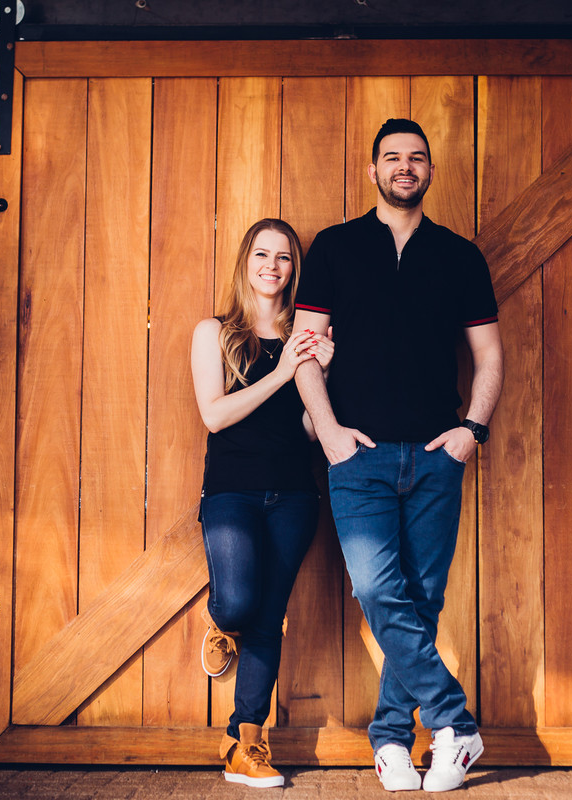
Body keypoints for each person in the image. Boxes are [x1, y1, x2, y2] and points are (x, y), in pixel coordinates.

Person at [292, 119, 504, 793]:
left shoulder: (460, 256)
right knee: (381, 591)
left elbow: (490, 356)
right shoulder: (335, 247)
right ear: (374, 169)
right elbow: (305, 350)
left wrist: (473, 429)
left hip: (439, 455)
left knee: (420, 600)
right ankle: (455, 723)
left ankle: (390, 743)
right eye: (392, 158)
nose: (404, 167)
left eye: (416, 158)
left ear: (431, 171)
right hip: (359, 457)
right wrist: (328, 433)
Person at [190, 218, 334, 788]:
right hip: (231, 489)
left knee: (269, 617)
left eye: (284, 258)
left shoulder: (306, 336)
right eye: (262, 255)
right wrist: (283, 372)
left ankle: (244, 743)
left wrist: (323, 369)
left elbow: (305, 429)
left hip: (294, 493)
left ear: (294, 269)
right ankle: (223, 624)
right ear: (245, 261)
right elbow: (214, 414)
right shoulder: (215, 332)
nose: (272, 267)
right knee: (238, 604)